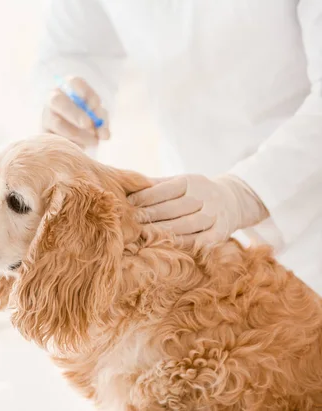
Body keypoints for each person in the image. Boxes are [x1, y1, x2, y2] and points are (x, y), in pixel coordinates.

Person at [35, 0, 322, 292]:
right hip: (190, 226)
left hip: (310, 218)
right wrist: (67, 96)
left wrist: (245, 194)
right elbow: (75, 48)